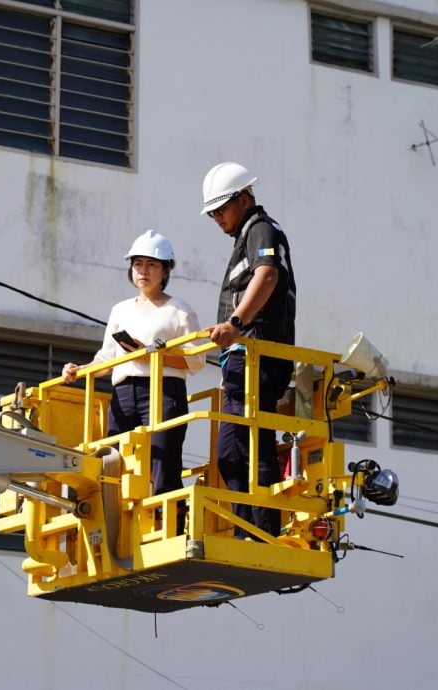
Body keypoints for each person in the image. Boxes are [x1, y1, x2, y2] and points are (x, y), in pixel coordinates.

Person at [62, 230, 204, 515]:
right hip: (124, 392)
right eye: (138, 264)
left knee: (163, 460)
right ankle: (122, 527)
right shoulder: (120, 310)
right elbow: (108, 358)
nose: (143, 271)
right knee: (117, 460)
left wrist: (153, 354)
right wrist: (80, 370)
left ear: (166, 270)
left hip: (163, 391)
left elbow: (195, 359)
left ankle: (170, 526)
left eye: (152, 265)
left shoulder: (180, 311)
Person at [201, 162, 296, 539]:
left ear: (244, 199)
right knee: (234, 451)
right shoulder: (247, 235)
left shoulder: (260, 228)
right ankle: (248, 530)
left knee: (250, 446)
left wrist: (235, 323)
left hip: (256, 354)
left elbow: (267, 275)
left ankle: (260, 531)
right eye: (212, 214)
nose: (217, 219)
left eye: (221, 210)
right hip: (243, 359)